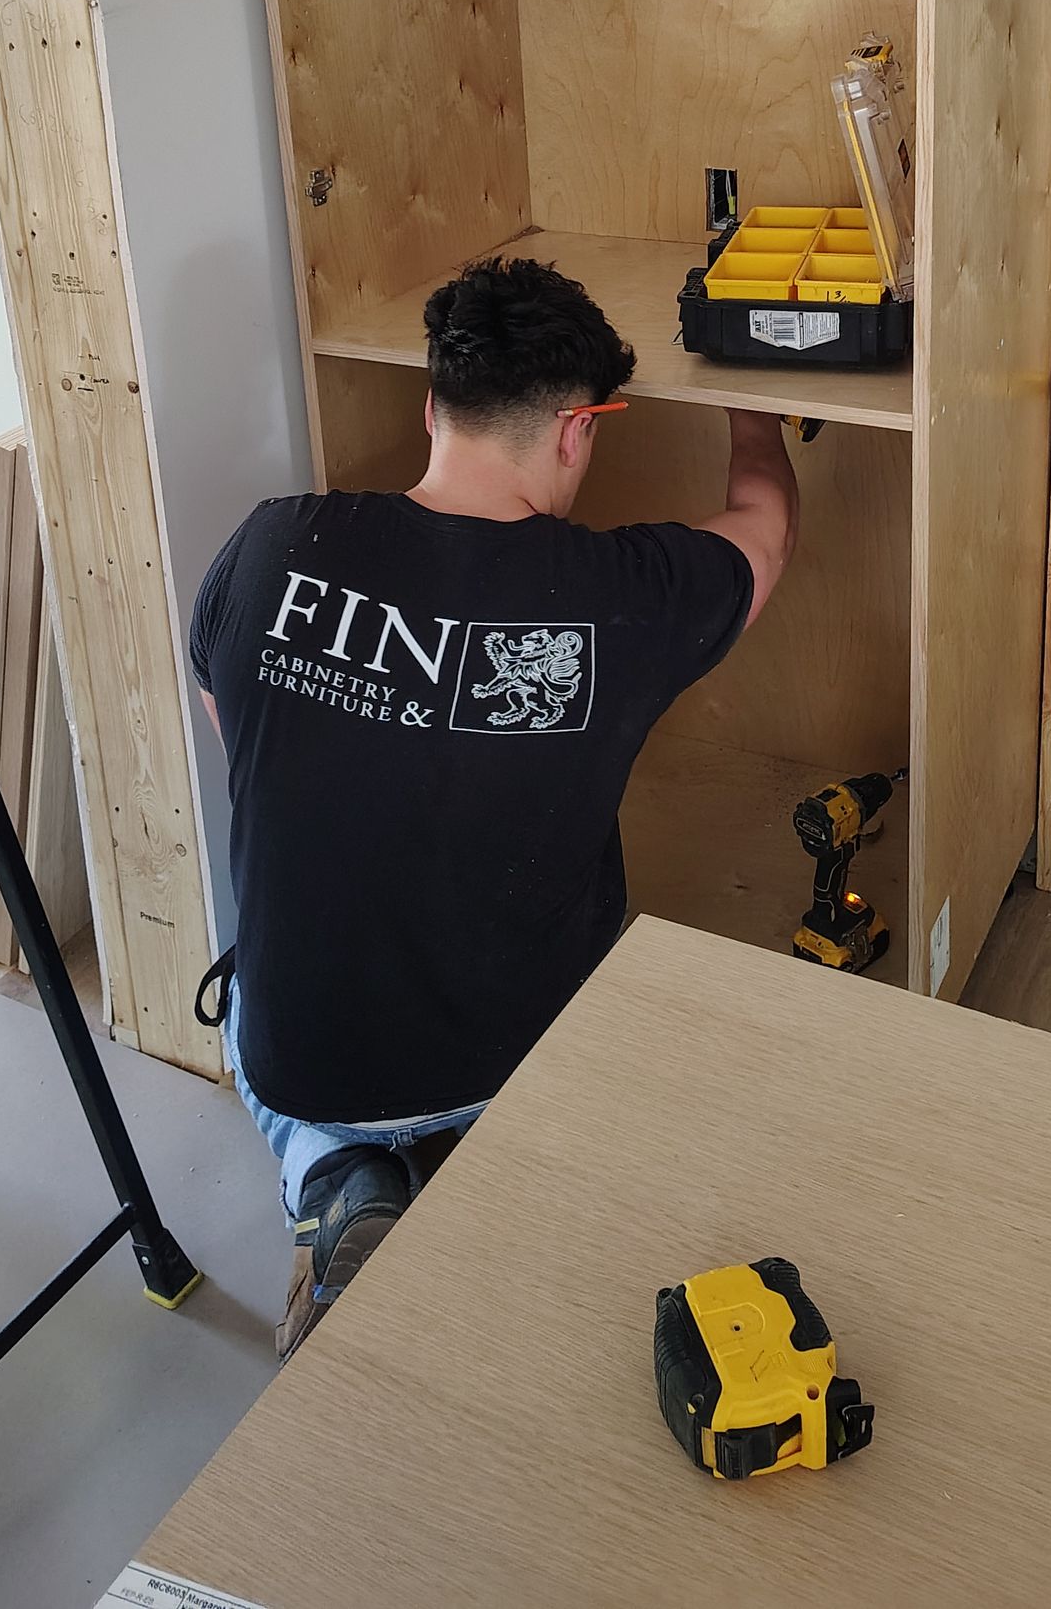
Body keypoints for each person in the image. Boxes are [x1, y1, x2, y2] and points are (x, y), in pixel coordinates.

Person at [189, 253, 798, 1357]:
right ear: (579, 431)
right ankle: (512, 1157)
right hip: (515, 1060)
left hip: (305, 1058)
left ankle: (332, 1172)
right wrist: (755, 411)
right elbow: (764, 529)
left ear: (432, 407)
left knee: (254, 1007)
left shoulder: (275, 543)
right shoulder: (623, 600)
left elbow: (240, 739)